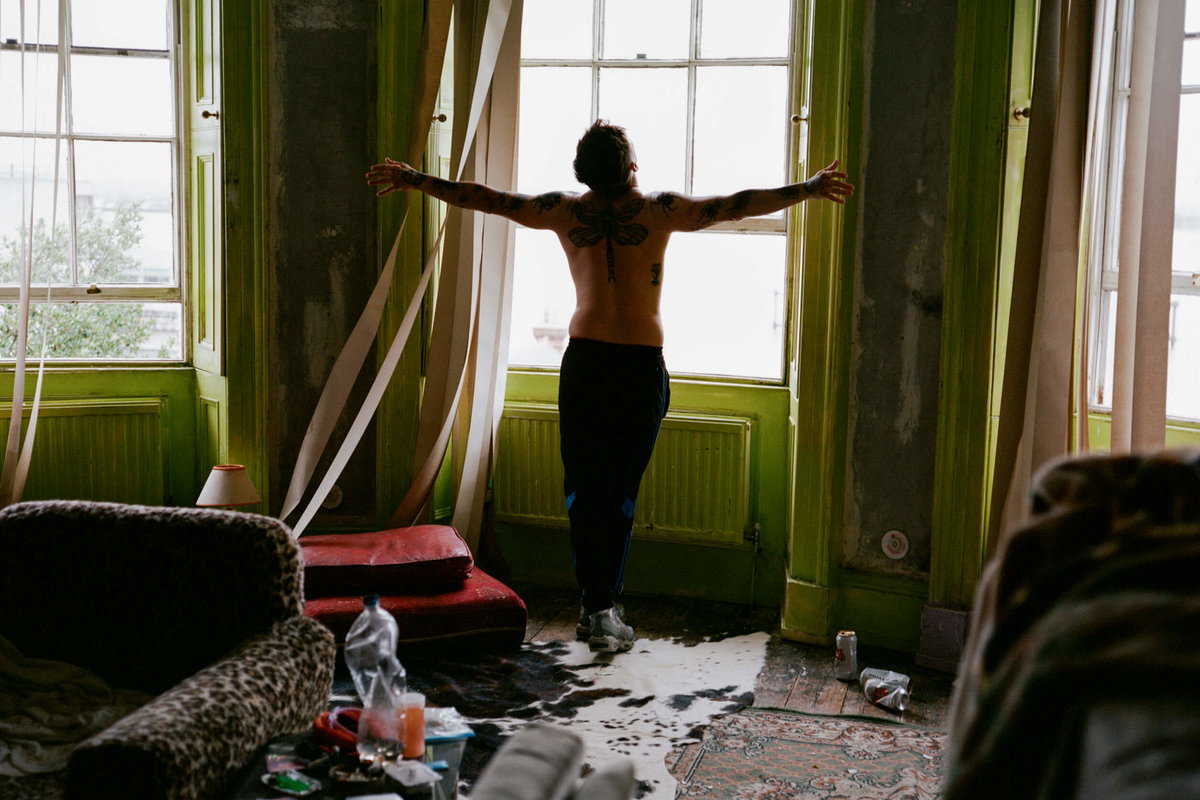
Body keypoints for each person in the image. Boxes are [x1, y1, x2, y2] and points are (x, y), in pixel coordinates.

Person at [367, 120, 854, 653]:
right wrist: (807, 188)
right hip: (637, 367)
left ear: (583, 171)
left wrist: (417, 179)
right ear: (633, 166)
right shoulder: (659, 210)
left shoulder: (562, 210)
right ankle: (601, 610)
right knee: (617, 492)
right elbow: (733, 205)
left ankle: (595, 606)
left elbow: (488, 199)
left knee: (585, 490)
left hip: (586, 363)